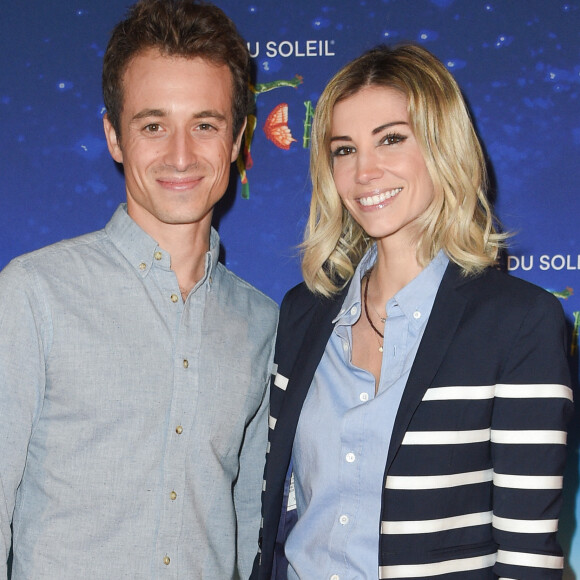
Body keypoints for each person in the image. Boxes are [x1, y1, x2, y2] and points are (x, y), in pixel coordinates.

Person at [253, 44, 573, 580]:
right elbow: (281, 513)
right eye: (344, 149)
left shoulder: (521, 324)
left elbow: (527, 556)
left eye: (392, 139)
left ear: (443, 146)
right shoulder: (302, 314)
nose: (365, 172)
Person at [0, 1, 278, 578]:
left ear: (236, 140)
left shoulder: (261, 322)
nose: (181, 155)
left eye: (205, 124)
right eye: (153, 125)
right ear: (114, 137)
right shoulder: (33, 295)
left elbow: (251, 515)